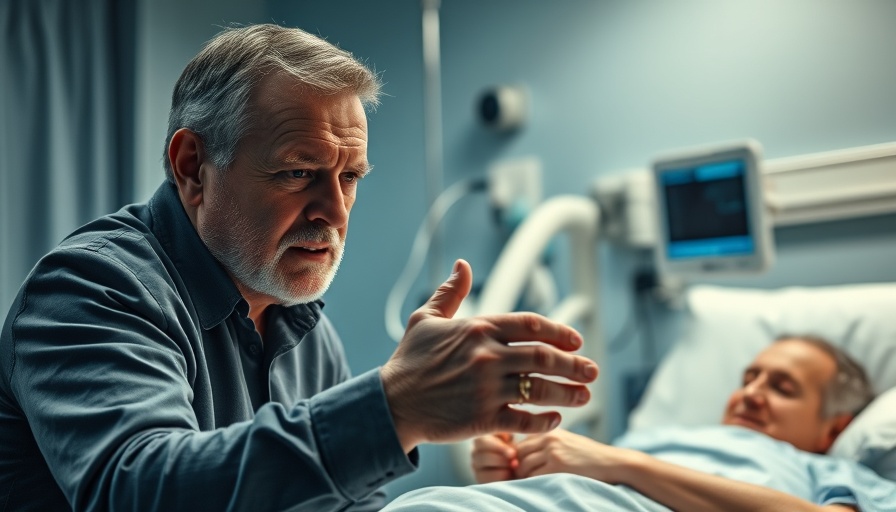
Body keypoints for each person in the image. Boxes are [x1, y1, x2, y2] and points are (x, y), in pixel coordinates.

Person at [0, 24, 600, 511]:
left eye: (350, 177)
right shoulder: (92, 289)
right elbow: (138, 492)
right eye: (297, 172)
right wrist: (393, 407)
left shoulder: (301, 326)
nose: (334, 212)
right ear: (192, 168)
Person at [384, 335, 895, 511]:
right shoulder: (656, 439)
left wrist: (618, 462)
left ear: (833, 429)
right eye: (750, 377)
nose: (753, 393)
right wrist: (512, 473)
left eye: (782, 387)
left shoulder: (830, 475)